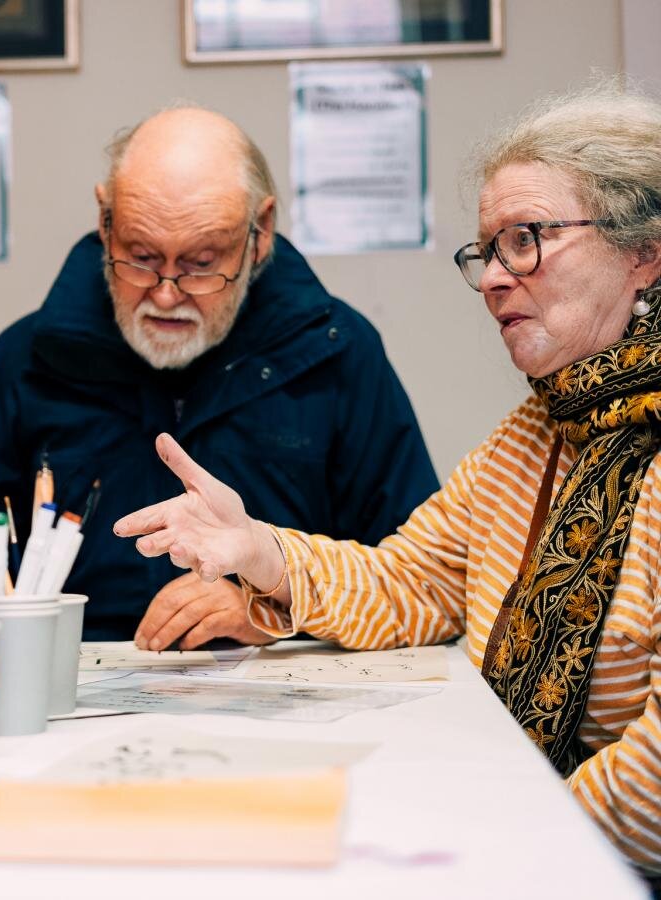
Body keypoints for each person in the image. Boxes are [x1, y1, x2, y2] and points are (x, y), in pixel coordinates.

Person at [117, 81, 661, 876]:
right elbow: (410, 582)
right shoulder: (537, 433)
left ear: (644, 251)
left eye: (525, 240)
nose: (495, 277)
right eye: (488, 250)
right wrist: (259, 550)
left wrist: (507, 840)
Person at [0, 105, 438, 640]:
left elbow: (414, 582)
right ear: (105, 222)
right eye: (141, 257)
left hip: (282, 678)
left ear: (260, 233)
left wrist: (275, 606)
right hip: (74, 672)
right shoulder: (22, 365)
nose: (165, 294)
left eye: (201, 263)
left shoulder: (336, 355)